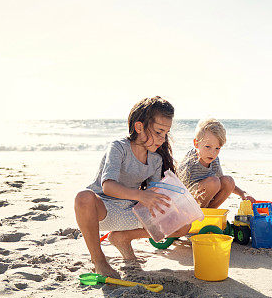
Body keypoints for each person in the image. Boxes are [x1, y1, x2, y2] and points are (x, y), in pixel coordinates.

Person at [74, 96, 189, 278]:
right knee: (83, 197)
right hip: (104, 210)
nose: (163, 138)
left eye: (166, 133)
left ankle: (122, 238)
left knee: (183, 224)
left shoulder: (156, 160)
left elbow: (152, 197)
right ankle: (99, 261)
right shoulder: (119, 147)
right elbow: (108, 186)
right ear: (139, 127)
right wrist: (141, 196)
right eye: (159, 132)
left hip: (129, 212)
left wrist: (175, 204)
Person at [177, 118, 256, 208]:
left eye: (217, 148)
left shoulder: (214, 159)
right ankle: (199, 214)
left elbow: (222, 181)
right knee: (213, 182)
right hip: (188, 202)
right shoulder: (189, 162)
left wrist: (242, 193)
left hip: (207, 198)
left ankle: (210, 212)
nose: (212, 153)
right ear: (196, 143)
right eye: (208, 147)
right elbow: (177, 189)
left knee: (228, 181)